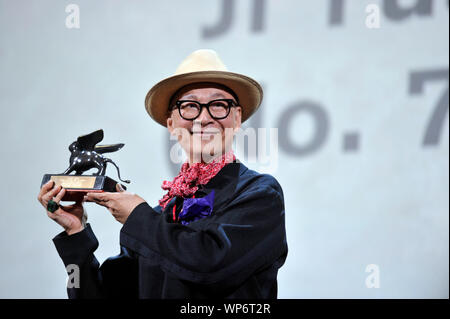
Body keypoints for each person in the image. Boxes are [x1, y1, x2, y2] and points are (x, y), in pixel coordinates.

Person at [37, 49, 288, 299]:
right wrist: (76, 235)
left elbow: (211, 266)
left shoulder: (261, 194)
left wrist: (138, 216)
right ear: (171, 124)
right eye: (189, 106)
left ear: (236, 119)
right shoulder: (161, 215)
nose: (203, 118)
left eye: (218, 105)